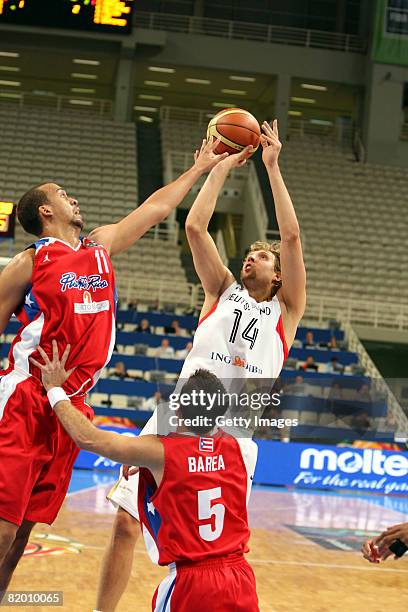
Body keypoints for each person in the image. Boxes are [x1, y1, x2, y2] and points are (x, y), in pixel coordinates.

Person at [0, 137, 226, 598]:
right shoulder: (29, 261)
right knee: (2, 530)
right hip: (25, 397)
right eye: (62, 194)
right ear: (44, 212)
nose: (73, 198)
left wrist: (201, 166)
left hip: (71, 406)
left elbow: (157, 208)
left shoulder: (99, 246)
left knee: (22, 535)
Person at [100, 120, 306, 611]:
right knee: (125, 519)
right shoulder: (220, 289)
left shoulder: (286, 311)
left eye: (261, 256)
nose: (251, 259)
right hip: (180, 414)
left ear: (278, 278)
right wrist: (214, 167)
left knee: (207, 551)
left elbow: (293, 237)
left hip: (234, 434)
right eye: (250, 253)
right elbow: (195, 226)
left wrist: (272, 168)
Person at [31, 344, 259, 611]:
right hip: (241, 578)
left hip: (192, 584)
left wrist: (54, 389)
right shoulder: (243, 450)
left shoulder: (160, 452)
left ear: (178, 410)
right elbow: (202, 464)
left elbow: (87, 438)